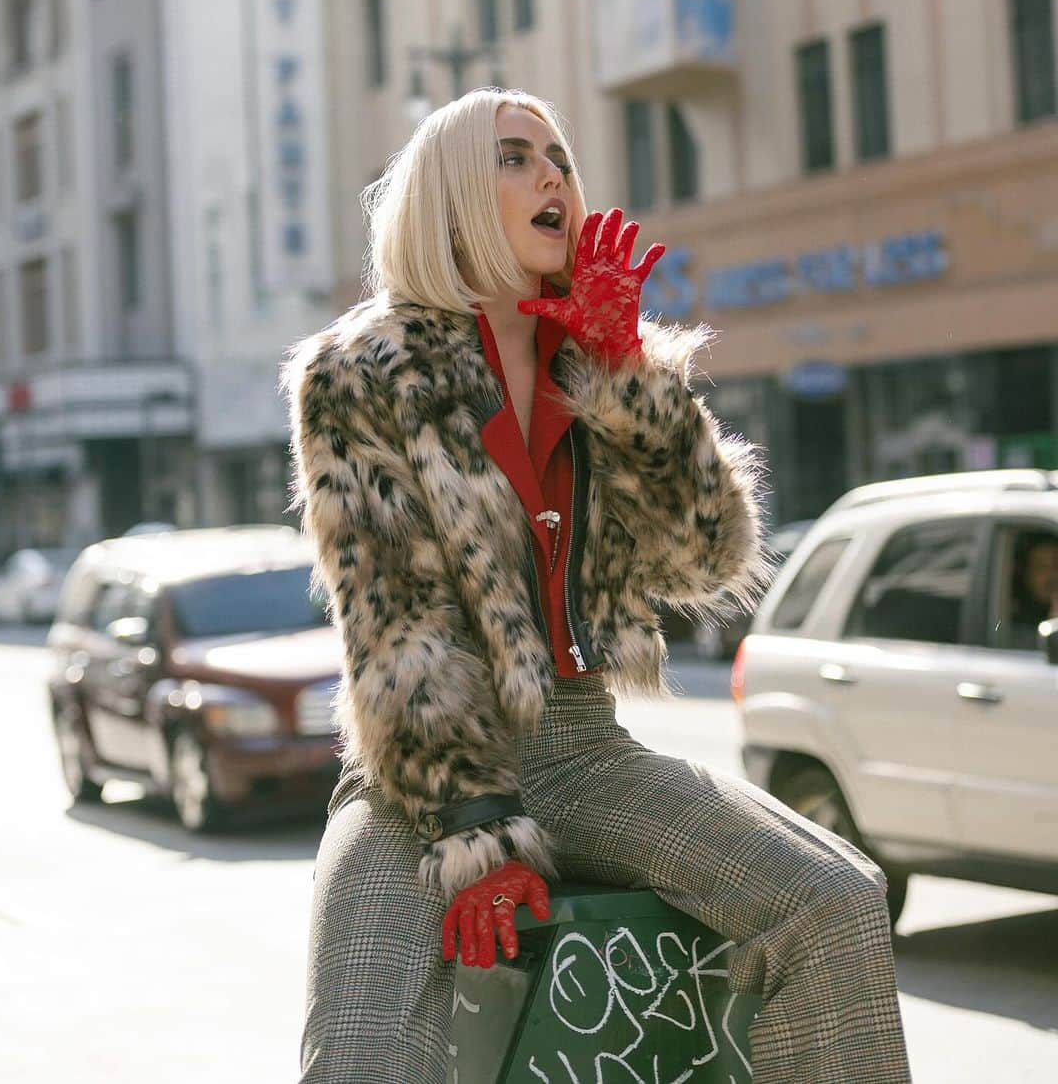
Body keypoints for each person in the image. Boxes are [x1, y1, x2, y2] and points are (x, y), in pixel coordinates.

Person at [282, 89, 912, 1084]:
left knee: (835, 898)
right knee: (360, 1048)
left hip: (585, 744)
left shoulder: (598, 355)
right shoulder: (361, 369)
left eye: (562, 158)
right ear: (450, 199)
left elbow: (705, 554)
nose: (554, 176)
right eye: (517, 157)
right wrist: (475, 834)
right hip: (422, 776)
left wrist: (630, 376)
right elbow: (396, 624)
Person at [1008, 532, 1058, 644]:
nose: (1052, 574)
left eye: (1057, 564)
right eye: (1041, 567)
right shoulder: (1016, 619)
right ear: (1026, 575)